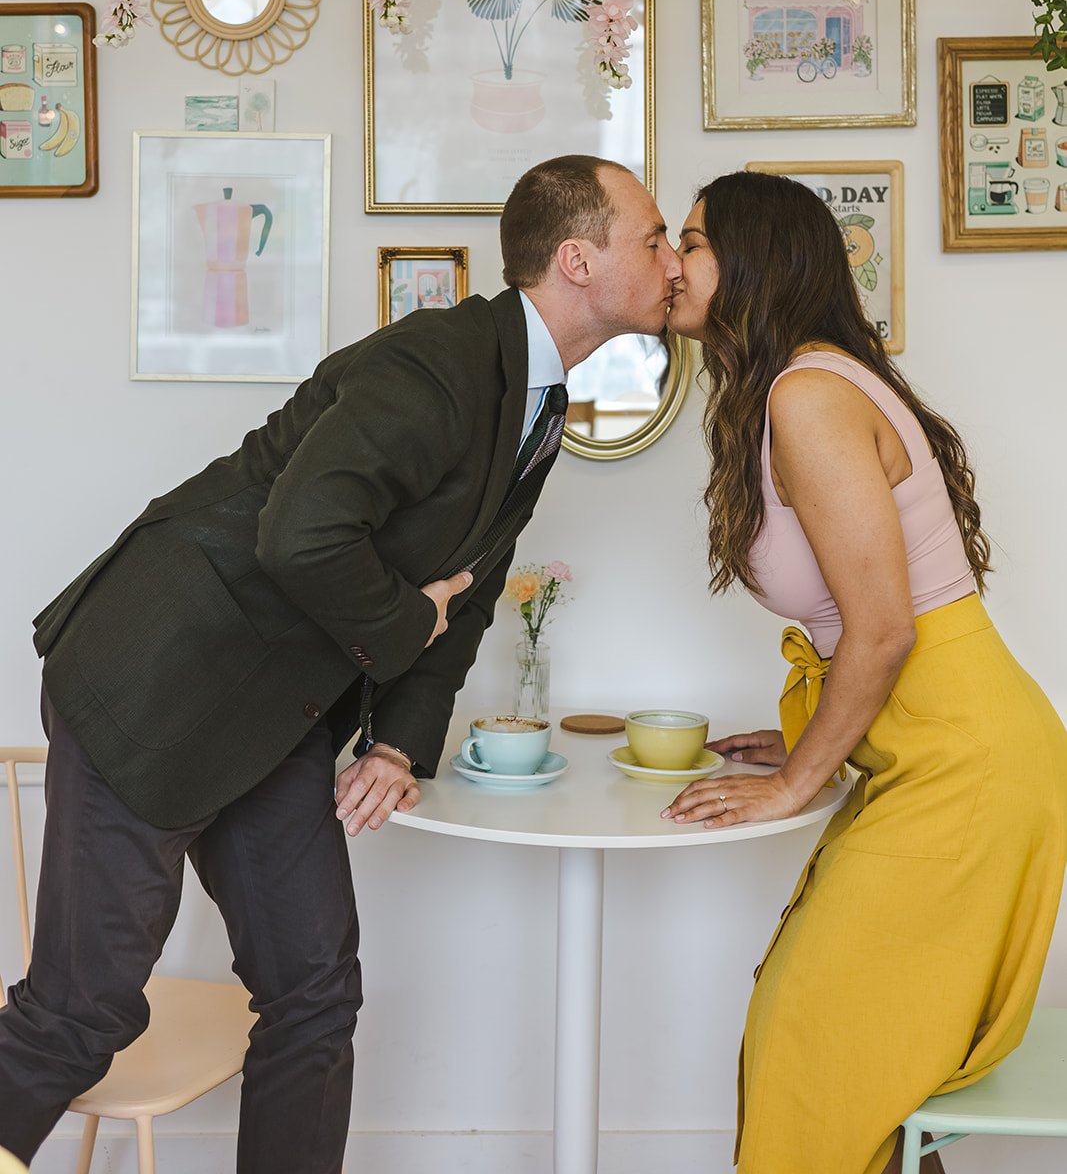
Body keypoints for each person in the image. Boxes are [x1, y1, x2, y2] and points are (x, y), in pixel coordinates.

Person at [0, 154, 681, 1173]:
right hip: (155, 683)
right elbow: (302, 536)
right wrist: (409, 622)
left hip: (270, 711)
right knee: (82, 1010)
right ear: (577, 259)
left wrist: (401, 742)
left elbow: (469, 590)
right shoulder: (441, 363)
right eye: (655, 235)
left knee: (314, 992)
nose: (670, 259)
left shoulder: (537, 401)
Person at [663, 170, 1067, 1174]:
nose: (672, 262)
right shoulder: (793, 388)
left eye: (693, 241)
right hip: (935, 754)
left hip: (967, 773)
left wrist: (800, 779)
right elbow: (865, 624)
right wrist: (811, 739)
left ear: (756, 261)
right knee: (846, 1053)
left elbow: (882, 630)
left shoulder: (807, 393)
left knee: (813, 1038)